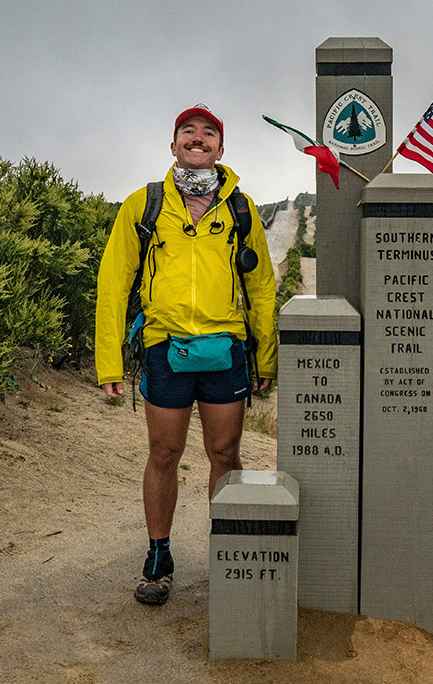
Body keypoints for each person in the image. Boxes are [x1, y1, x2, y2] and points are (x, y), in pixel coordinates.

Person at [94, 104, 278, 606]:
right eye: (188, 132)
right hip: (164, 346)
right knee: (164, 454)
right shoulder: (144, 205)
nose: (198, 139)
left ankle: (229, 553)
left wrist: (265, 356)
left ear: (222, 149)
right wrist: (109, 360)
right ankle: (159, 556)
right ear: (173, 145)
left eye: (209, 133)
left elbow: (261, 286)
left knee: (224, 453)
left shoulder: (241, 209)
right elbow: (114, 283)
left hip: (227, 349)